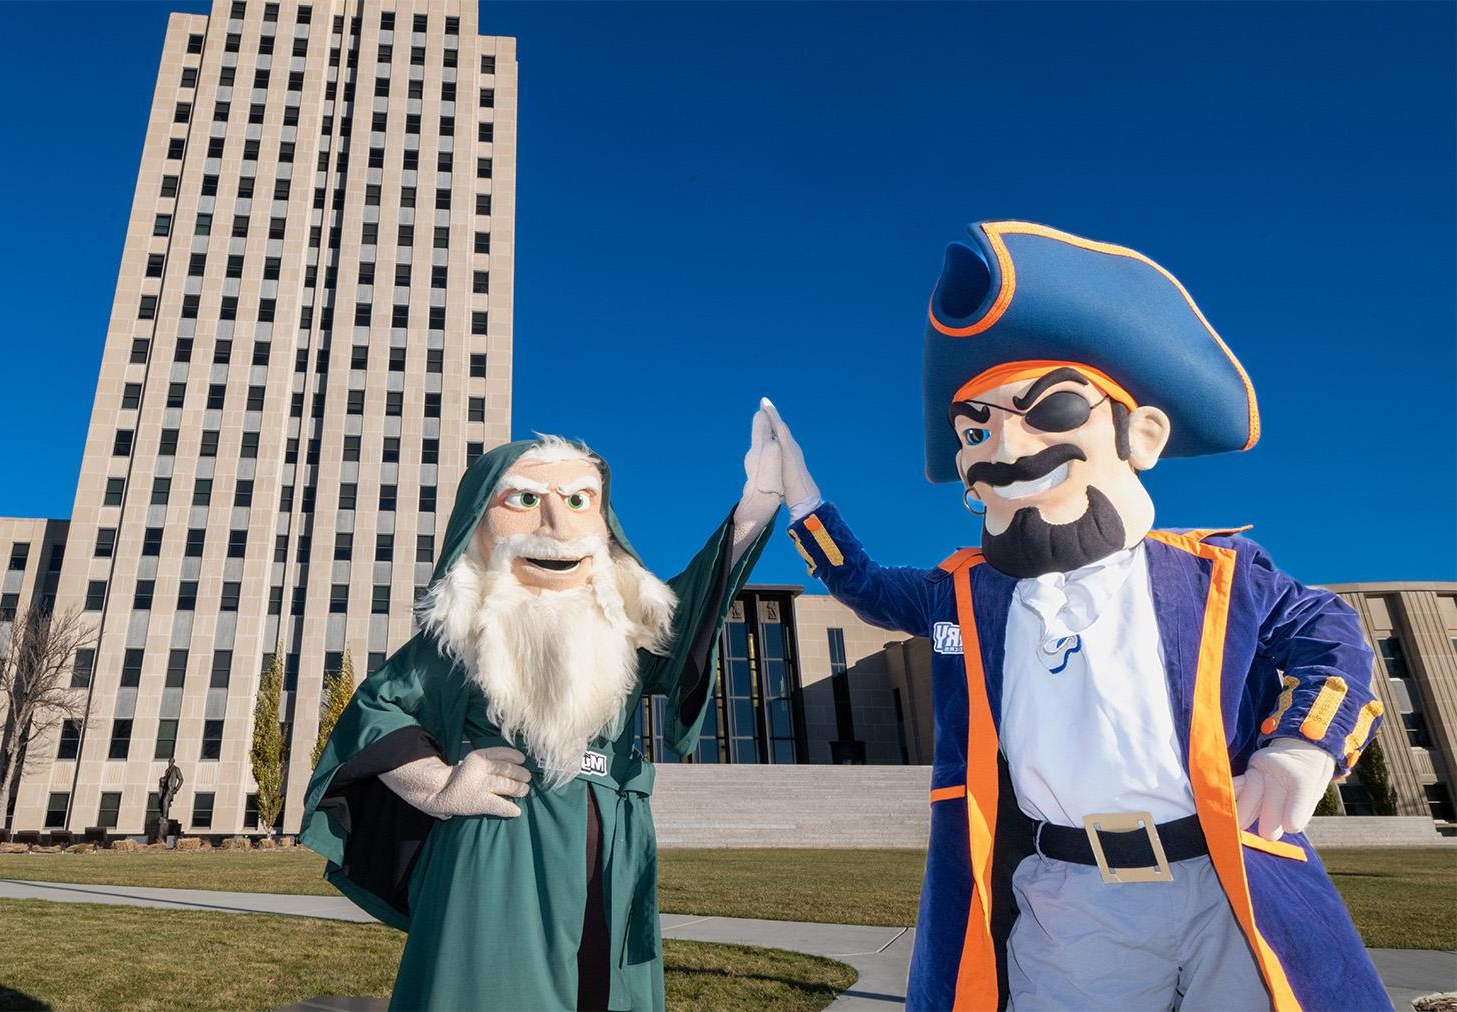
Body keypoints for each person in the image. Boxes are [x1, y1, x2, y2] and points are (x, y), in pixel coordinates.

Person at [761, 221, 1391, 1010]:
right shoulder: (968, 594)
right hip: (1073, 896)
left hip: (1227, 877)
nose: (1005, 445)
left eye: (1048, 407)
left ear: (1144, 434)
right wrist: (801, 497)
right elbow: (864, 585)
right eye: (975, 427)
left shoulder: (1218, 574)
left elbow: (1327, 634)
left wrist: (1304, 746)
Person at [300, 427, 779, 1011]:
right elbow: (377, 707)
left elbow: (701, 597)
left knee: (603, 990)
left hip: (612, 838)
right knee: (494, 986)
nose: (556, 522)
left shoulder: (624, 627)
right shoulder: (463, 635)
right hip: (501, 831)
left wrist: (757, 504)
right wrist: (438, 786)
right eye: (525, 499)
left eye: (579, 500)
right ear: (478, 522)